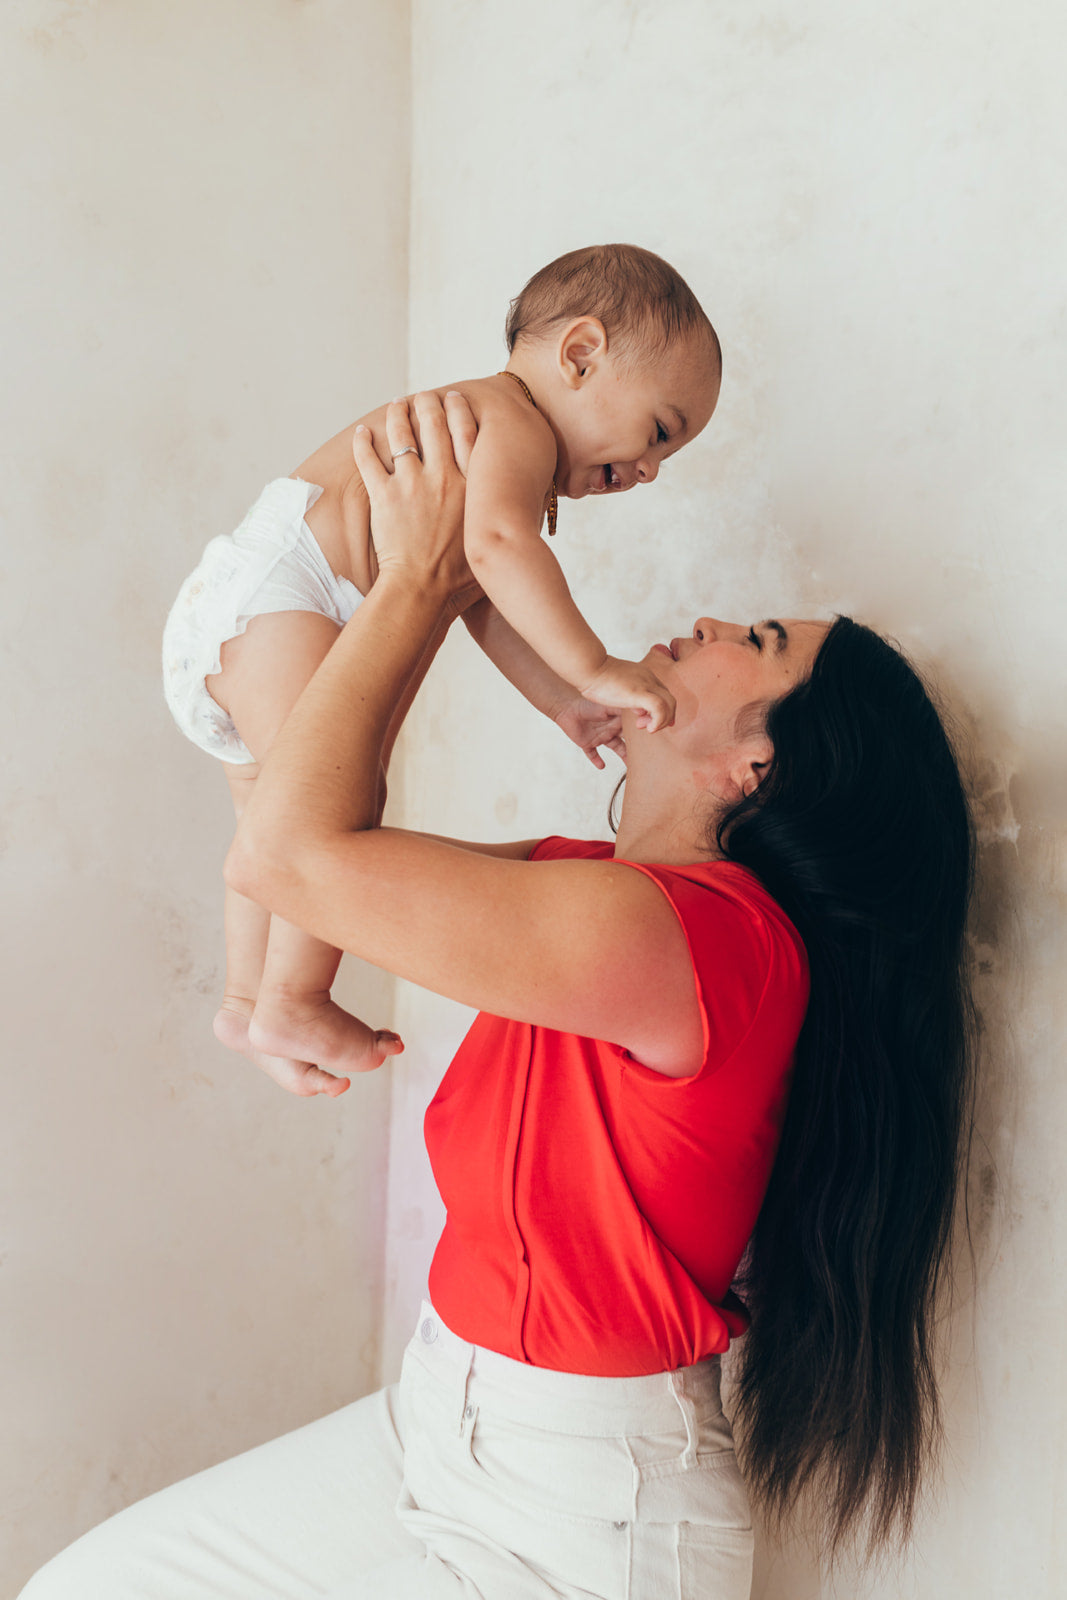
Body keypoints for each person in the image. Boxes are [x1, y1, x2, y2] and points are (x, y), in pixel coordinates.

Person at [28, 392, 975, 1598]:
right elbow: (317, 850)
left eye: (759, 640)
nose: (706, 618)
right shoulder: (581, 891)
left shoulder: (715, 946)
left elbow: (287, 855)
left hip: (587, 1508)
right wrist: (427, 567)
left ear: (758, 765)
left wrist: (422, 578)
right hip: (437, 1411)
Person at [161, 243, 722, 1099]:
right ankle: (292, 996)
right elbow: (499, 552)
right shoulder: (511, 423)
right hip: (284, 601)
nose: (647, 472)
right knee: (333, 808)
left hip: (238, 618)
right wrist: (596, 665)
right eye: (657, 432)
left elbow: (476, 597)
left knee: (268, 813)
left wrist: (560, 701)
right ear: (578, 356)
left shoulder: (488, 441)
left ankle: (245, 1000)